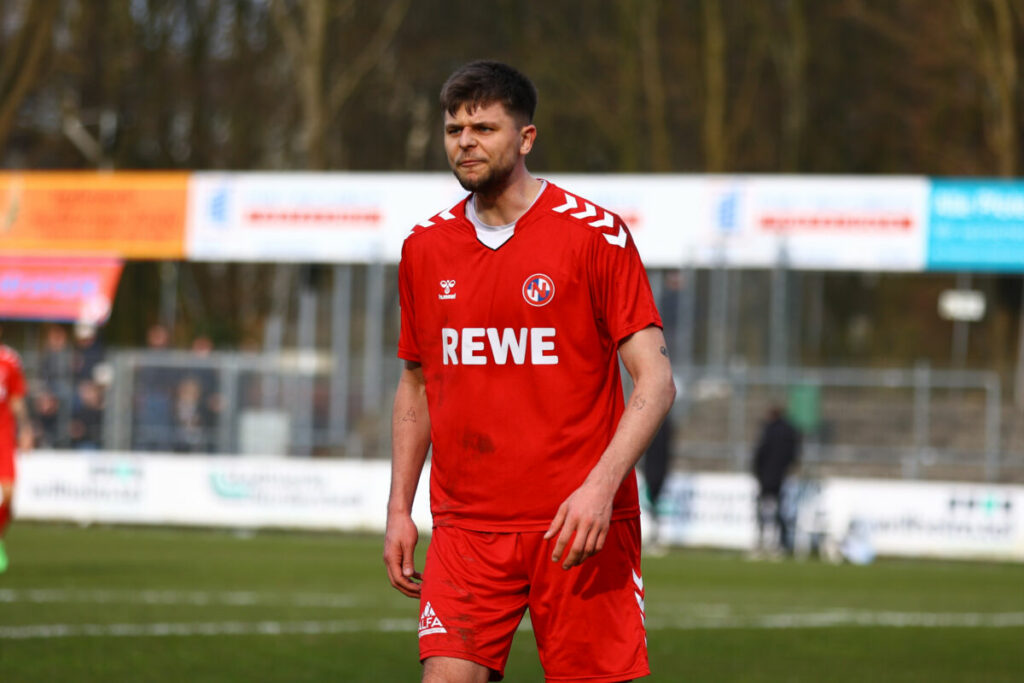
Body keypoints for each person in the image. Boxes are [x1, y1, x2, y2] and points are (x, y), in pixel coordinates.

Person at [383, 61, 675, 683]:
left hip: (578, 525)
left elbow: (655, 381)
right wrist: (399, 508)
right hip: (466, 529)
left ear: (526, 138)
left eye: (484, 128)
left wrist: (600, 489)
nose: (465, 143)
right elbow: (415, 384)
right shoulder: (424, 247)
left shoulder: (595, 236)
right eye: (455, 129)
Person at [0, 326, 34, 572]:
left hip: (2, 435)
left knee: (9, 496)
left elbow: (16, 399)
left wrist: (26, 429)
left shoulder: (9, 360)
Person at [751, 404, 801, 557]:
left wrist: (757, 470)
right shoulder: (790, 430)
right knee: (780, 510)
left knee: (763, 510)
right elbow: (793, 453)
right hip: (782, 475)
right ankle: (780, 543)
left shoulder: (769, 429)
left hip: (766, 476)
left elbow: (761, 452)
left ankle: (760, 541)